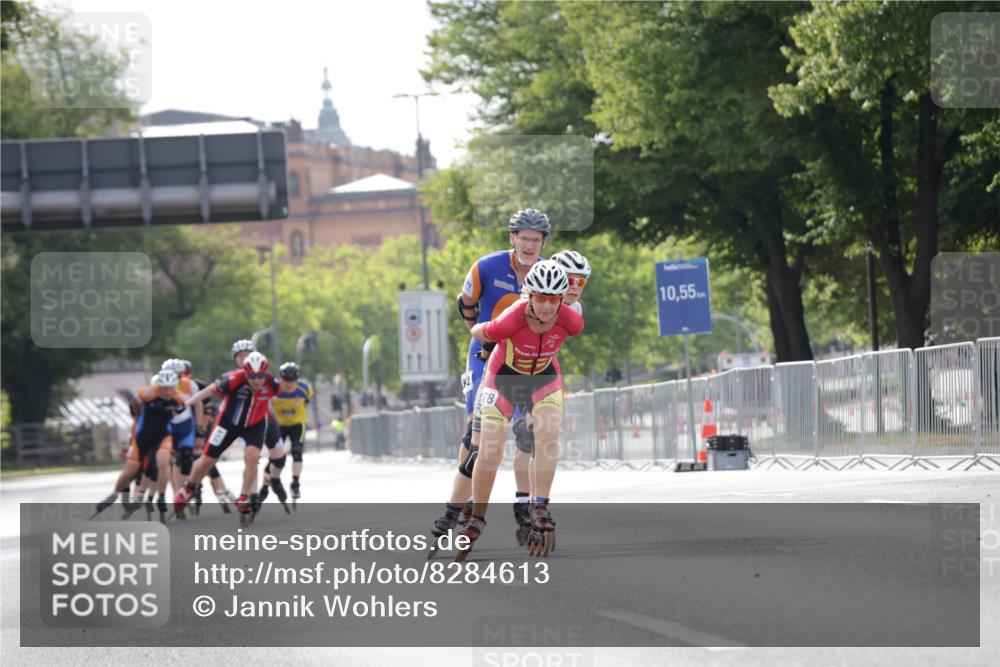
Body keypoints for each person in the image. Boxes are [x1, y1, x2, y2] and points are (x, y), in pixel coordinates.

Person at [429, 209, 549, 548]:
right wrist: (483, 340)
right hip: (485, 357)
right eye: (523, 238)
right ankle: (464, 503)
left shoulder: (548, 272)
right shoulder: (486, 267)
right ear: (512, 238)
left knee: (528, 430)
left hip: (525, 359)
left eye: (535, 240)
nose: (529, 245)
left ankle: (524, 504)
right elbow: (465, 305)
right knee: (477, 434)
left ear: (543, 243)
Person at [458, 260, 583, 560]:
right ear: (530, 296)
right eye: (540, 298)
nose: (546, 306)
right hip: (503, 379)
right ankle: (477, 517)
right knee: (490, 451)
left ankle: (539, 505)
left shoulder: (572, 320)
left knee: (548, 434)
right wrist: (481, 334)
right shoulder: (513, 317)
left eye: (553, 299)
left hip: (543, 379)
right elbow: (479, 330)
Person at [508, 249, 592, 543]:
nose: (574, 287)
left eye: (581, 283)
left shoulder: (573, 311)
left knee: (542, 437)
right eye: (570, 280)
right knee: (527, 436)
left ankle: (537, 502)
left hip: (540, 374)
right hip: (509, 371)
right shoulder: (527, 302)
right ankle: (522, 504)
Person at [173, 351, 281, 526]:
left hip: (255, 425)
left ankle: (244, 497)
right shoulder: (234, 379)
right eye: (252, 376)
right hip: (228, 424)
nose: (256, 381)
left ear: (265, 373)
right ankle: (188, 488)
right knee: (208, 459)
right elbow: (208, 390)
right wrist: (185, 404)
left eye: (260, 376)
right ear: (245, 372)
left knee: (253, 458)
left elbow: (283, 396)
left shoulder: (272, 384)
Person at [93, 371, 185, 522]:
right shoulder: (147, 393)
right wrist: (137, 415)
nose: (168, 392)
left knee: (163, 461)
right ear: (158, 387)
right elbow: (135, 403)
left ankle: (161, 497)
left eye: (170, 388)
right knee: (129, 472)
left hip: (163, 436)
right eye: (164, 388)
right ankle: (115, 494)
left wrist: (181, 409)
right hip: (142, 437)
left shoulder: (178, 396)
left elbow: (190, 403)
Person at [270, 361, 313, 508]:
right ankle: (270, 483)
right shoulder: (275, 389)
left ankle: (295, 482)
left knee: (296, 451)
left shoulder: (305, 388)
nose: (289, 384)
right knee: (276, 456)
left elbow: (306, 401)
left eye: (292, 380)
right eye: (286, 380)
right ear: (281, 378)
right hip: (279, 425)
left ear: (297, 379)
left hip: (297, 424)